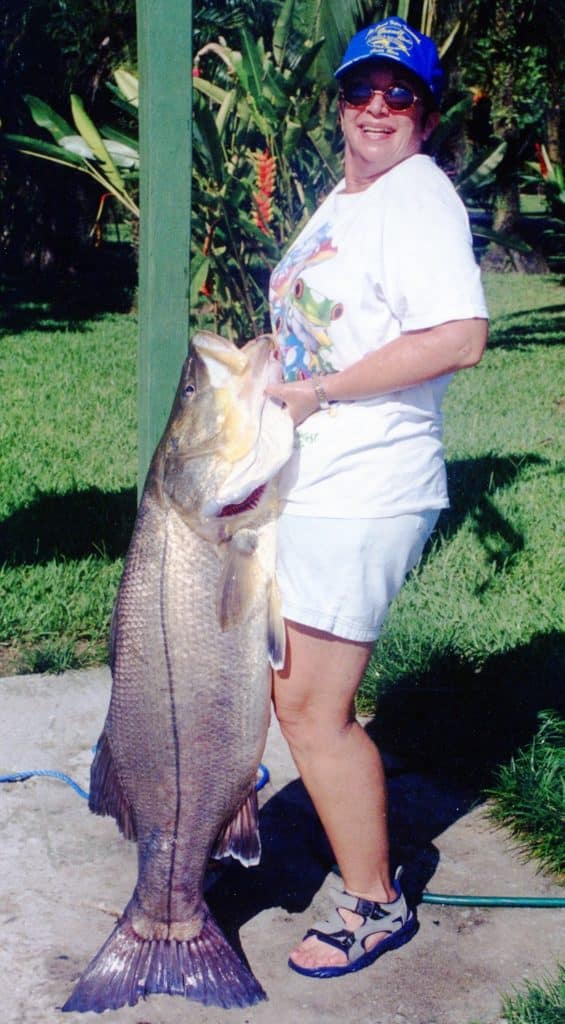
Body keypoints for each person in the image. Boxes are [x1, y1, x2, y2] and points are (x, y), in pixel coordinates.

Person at [265, 16, 489, 979]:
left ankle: (372, 901)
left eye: (399, 95)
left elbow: (457, 335)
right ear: (340, 100)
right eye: (362, 88)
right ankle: (351, 845)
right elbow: (327, 329)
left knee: (315, 706)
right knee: (292, 694)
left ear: (425, 115)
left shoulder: (417, 194)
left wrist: (316, 393)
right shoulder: (340, 204)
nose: (376, 109)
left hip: (367, 483)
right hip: (316, 479)